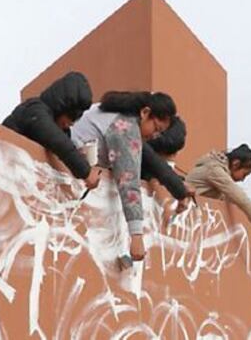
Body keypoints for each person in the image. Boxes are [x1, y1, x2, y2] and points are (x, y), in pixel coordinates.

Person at [71, 90, 177, 261]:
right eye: (156, 128)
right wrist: (136, 236)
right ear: (145, 113)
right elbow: (128, 181)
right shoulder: (125, 128)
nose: (154, 136)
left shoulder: (114, 113)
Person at [2, 72, 101, 192]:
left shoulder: (59, 130)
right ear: (61, 106)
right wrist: (85, 171)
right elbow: (57, 142)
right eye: (71, 116)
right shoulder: (35, 110)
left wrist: (80, 157)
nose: (70, 123)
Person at [185, 144, 251, 245]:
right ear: (236, 164)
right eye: (244, 174)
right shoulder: (215, 171)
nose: (243, 179)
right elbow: (240, 198)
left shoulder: (216, 170)